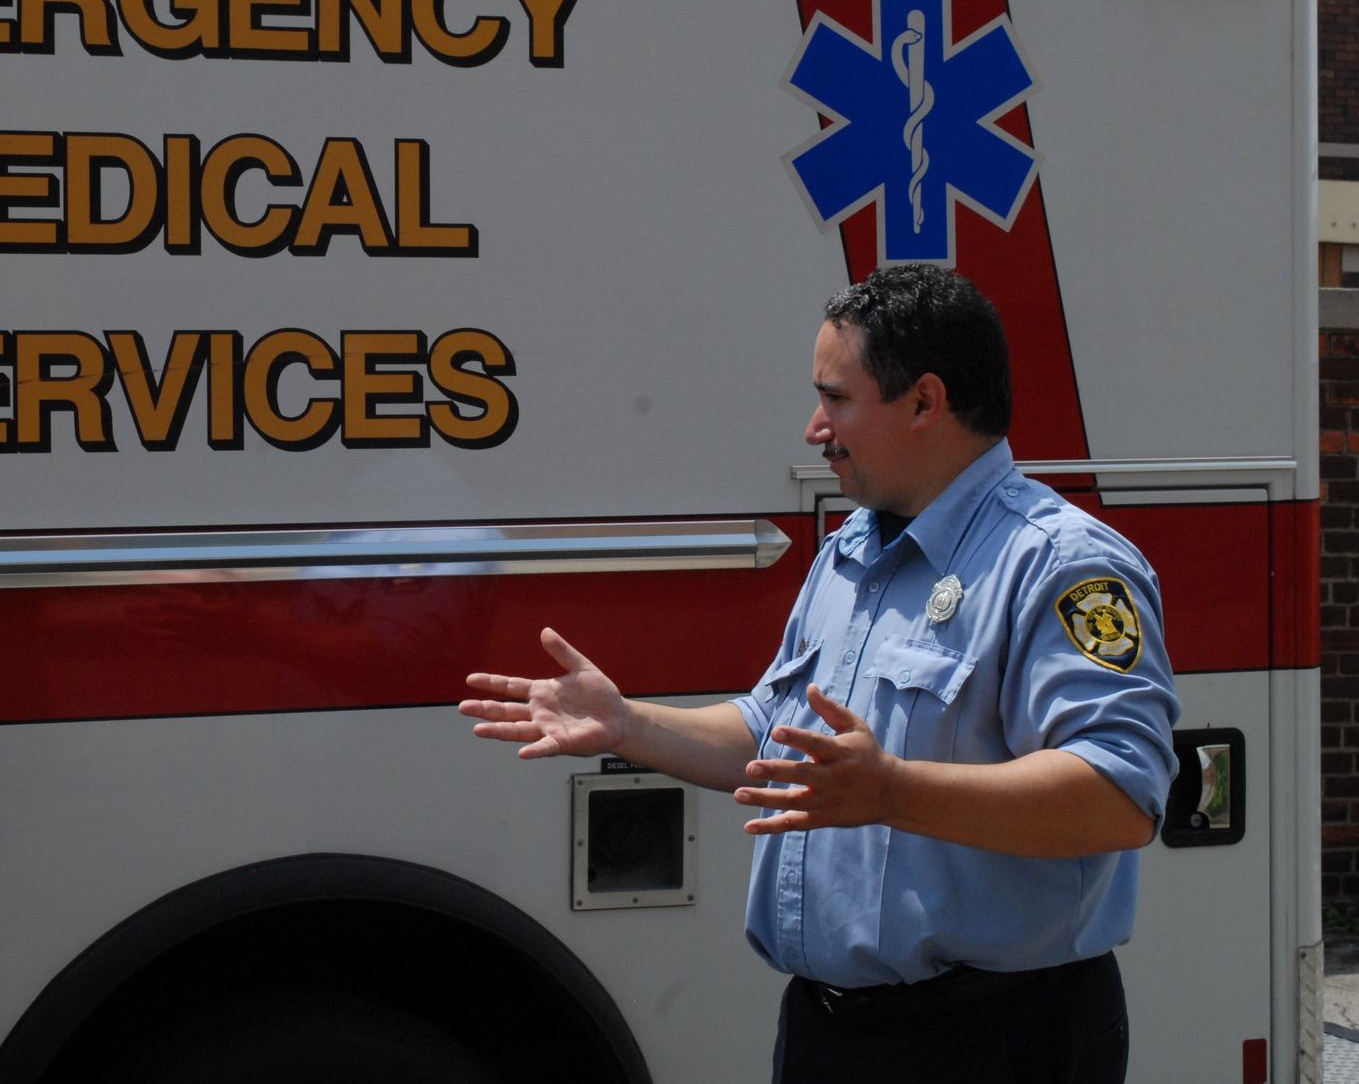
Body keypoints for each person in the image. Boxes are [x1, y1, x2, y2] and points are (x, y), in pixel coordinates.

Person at [460, 265, 1178, 1083]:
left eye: (836, 398)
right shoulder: (853, 550)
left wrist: (895, 791)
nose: (815, 427)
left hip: (994, 1040)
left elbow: (1118, 796)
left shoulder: (1059, 563)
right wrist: (630, 724)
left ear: (923, 402)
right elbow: (775, 734)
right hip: (829, 1034)